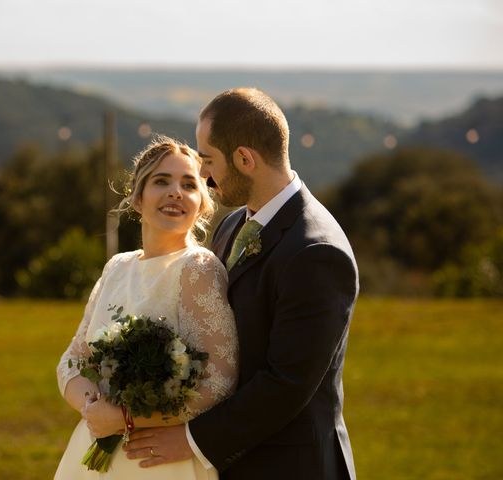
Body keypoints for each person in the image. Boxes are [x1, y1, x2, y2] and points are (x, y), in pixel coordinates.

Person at [124, 88, 359, 479]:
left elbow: (287, 384)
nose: (203, 175)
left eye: (208, 160)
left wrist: (190, 440)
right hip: (235, 461)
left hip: (292, 466)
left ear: (245, 159)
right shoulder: (234, 224)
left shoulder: (316, 252)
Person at [54, 137, 239, 479]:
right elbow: (72, 360)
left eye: (188, 185)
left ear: (202, 205)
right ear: (138, 199)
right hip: (94, 449)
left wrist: (127, 417)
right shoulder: (117, 267)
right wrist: (94, 408)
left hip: (160, 462)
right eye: (161, 181)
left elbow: (220, 380)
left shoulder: (198, 268)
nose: (175, 192)